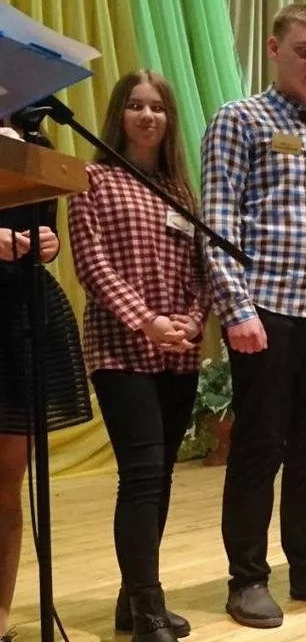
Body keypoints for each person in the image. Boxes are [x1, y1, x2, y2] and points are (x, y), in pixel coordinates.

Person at [202, 3, 306, 627]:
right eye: (305, 51)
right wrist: (236, 309)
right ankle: (247, 578)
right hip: (266, 311)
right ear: (275, 50)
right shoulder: (239, 119)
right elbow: (218, 222)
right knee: (258, 447)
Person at [68, 70, 209, 641]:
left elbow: (200, 272)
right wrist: (147, 320)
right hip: (121, 349)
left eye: (158, 107)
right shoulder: (92, 181)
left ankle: (133, 601)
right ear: (118, 116)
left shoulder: (181, 192)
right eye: (135, 105)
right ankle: (149, 607)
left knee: (162, 474)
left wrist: (192, 320)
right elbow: (91, 265)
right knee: (143, 474)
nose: (148, 116)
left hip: (177, 353)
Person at [0, 124, 91, 642]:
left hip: (19, 318)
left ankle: (0, 616)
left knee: (6, 483)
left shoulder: (35, 143)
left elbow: (44, 231)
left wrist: (47, 243)